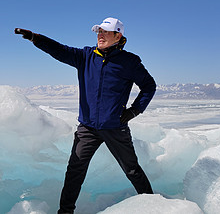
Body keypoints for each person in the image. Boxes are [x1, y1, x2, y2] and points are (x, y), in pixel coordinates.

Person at [15, 17, 156, 214]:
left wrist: (134, 110)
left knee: (132, 169)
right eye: (99, 32)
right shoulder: (86, 56)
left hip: (115, 127)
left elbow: (149, 86)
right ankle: (65, 212)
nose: (100, 35)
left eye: (105, 32)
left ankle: (155, 206)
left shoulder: (130, 62)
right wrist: (35, 38)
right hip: (88, 128)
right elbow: (60, 50)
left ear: (118, 35)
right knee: (75, 170)